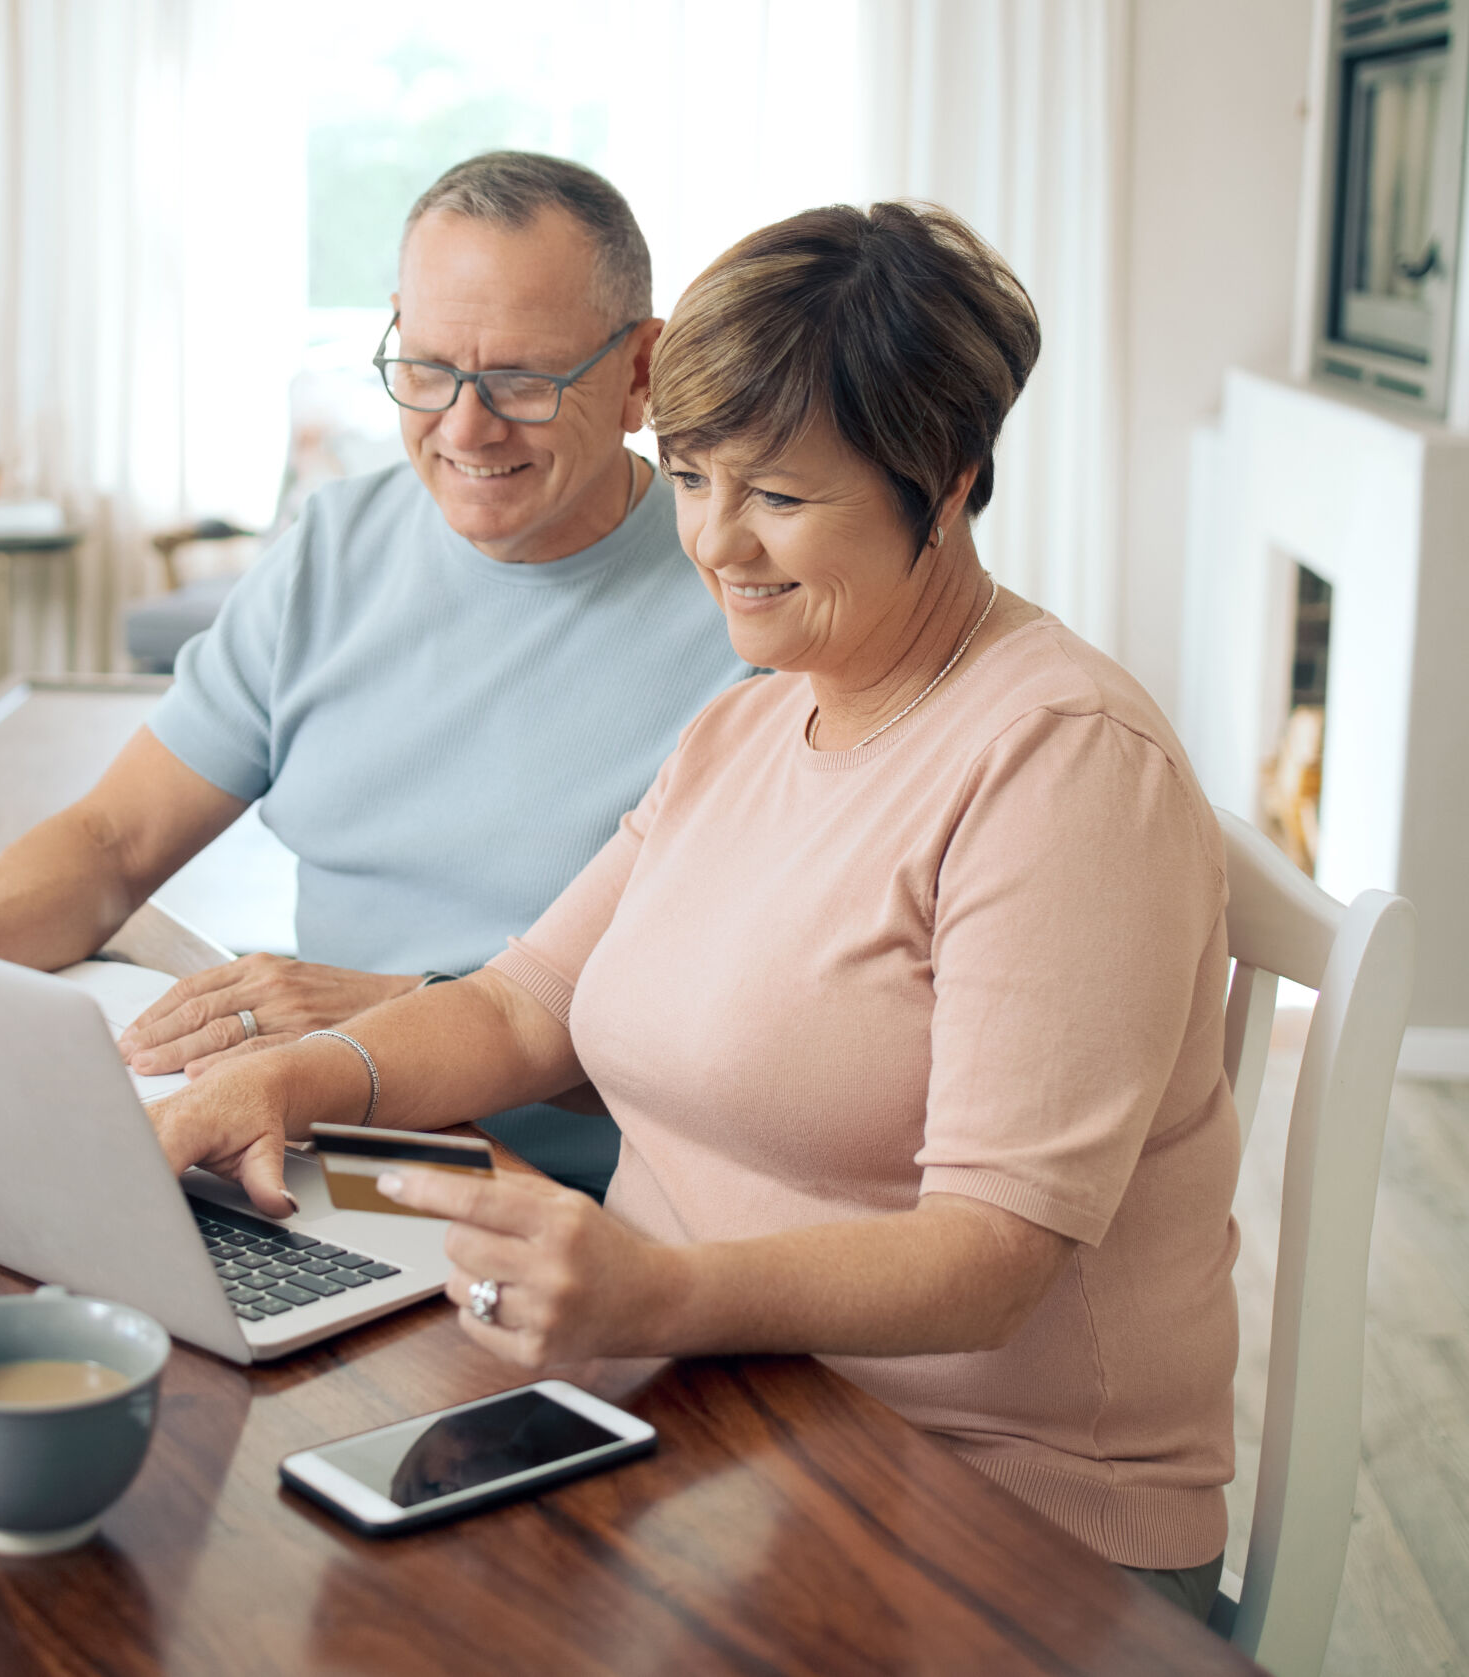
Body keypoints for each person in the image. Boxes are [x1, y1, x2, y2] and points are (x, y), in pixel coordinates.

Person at [145, 202, 1240, 1619]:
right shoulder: (754, 719)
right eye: (692, 475)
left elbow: (990, 1261)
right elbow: (522, 1004)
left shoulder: (1066, 765)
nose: (717, 542)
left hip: (990, 1510)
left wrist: (663, 1297)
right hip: (704, 1417)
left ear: (951, 479)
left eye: (780, 496)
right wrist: (282, 1079)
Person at [0, 152, 751, 1195]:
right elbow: (114, 837)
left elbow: (730, 1043)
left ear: (640, 372)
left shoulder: (746, 615)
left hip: (578, 1207)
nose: (463, 426)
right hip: (320, 1151)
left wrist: (394, 1016)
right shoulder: (332, 548)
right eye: (426, 367)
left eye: (521, 382)